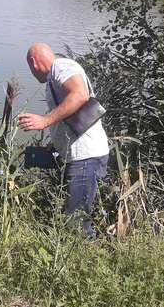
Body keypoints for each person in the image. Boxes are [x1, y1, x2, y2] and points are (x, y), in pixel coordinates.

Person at [18, 43, 109, 238]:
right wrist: (56, 142)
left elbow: (80, 95)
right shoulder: (53, 78)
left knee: (76, 222)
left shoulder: (61, 67)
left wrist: (45, 120)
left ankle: (85, 261)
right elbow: (69, 111)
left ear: (33, 62)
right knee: (76, 216)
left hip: (85, 156)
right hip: (80, 155)